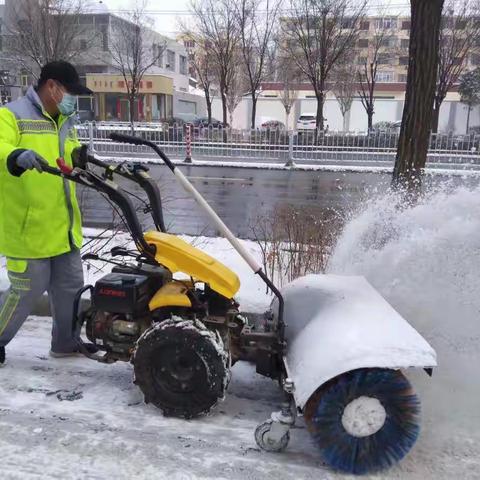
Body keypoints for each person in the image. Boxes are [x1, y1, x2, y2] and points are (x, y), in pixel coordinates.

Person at [0, 61, 96, 364]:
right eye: (69, 92)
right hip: (27, 226)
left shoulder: (64, 119)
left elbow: (70, 156)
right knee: (27, 290)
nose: (72, 99)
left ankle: (65, 344)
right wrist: (15, 155)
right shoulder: (11, 114)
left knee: (70, 288)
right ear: (52, 86)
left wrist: (82, 158)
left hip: (63, 224)